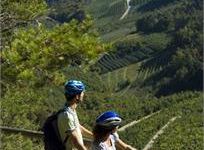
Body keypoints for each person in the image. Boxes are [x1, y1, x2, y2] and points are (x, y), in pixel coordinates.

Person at [57, 80, 93, 150]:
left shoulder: (71, 111)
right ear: (77, 96)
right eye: (82, 93)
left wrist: (95, 136)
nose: (83, 95)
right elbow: (76, 143)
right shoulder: (66, 115)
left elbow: (78, 128)